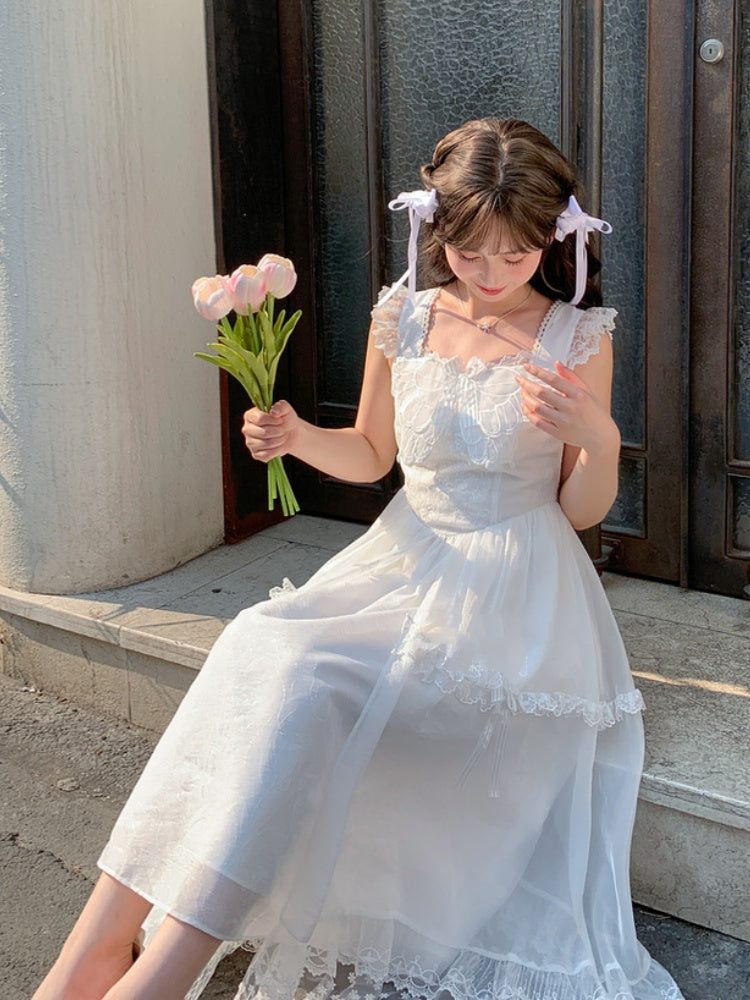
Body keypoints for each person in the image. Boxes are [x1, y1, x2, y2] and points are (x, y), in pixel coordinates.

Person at [33, 118, 684, 1000]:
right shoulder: (403, 312)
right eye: (470, 253)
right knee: (257, 643)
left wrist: (597, 439)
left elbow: (578, 513)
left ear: (552, 240)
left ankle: (157, 978)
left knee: (303, 675)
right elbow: (375, 456)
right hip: (402, 564)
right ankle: (93, 953)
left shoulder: (576, 336)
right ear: (436, 233)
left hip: (512, 596)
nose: (491, 274)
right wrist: (299, 434)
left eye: (515, 255)